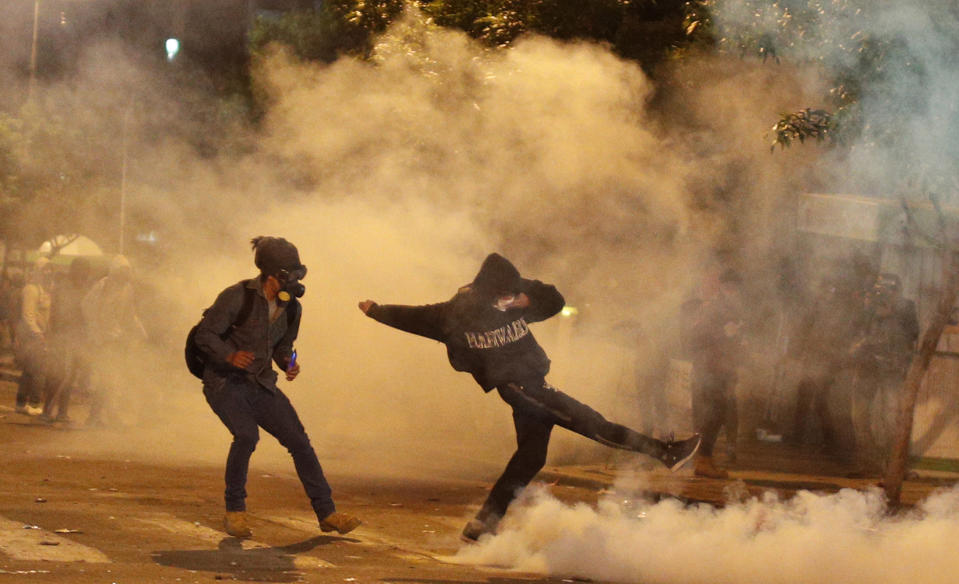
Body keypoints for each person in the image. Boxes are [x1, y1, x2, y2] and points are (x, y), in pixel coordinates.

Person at [358, 253, 701, 542]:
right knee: (591, 422)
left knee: (530, 458)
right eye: (507, 292)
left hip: (533, 380)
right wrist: (376, 310)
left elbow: (554, 298)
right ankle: (664, 453)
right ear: (488, 290)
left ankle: (482, 525)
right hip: (520, 388)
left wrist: (527, 300)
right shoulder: (458, 313)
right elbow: (414, 317)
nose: (511, 296)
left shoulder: (513, 298)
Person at [195, 236, 360, 539]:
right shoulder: (237, 297)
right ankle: (235, 512)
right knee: (246, 436)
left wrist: (289, 364)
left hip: (261, 383)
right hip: (223, 383)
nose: (295, 282)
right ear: (271, 275)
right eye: (289, 275)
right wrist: (230, 356)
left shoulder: (292, 309)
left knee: (299, 442)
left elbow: (284, 347)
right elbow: (204, 336)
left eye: (298, 274)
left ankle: (327, 513)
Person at [849, 272, 919, 473]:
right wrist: (867, 308)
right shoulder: (868, 305)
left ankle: (896, 467)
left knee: (892, 418)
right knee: (859, 416)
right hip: (866, 366)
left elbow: (913, 334)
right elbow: (855, 330)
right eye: (881, 289)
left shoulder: (907, 307)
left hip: (892, 368)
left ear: (898, 290)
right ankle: (868, 463)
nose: (885, 294)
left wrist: (892, 313)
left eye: (889, 290)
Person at [785, 276, 860, 459]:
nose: (825, 294)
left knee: (820, 403)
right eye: (823, 291)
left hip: (825, 362)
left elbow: (839, 339)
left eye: (828, 291)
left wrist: (830, 356)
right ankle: (799, 438)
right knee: (804, 399)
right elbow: (802, 333)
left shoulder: (837, 314)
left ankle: (829, 440)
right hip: (812, 360)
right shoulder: (814, 310)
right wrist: (796, 353)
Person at [688, 268, 745, 479]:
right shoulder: (713, 308)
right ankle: (702, 460)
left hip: (723, 369)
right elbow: (696, 335)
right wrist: (724, 333)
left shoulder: (732, 309)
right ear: (723, 287)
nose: (734, 291)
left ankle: (705, 458)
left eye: (736, 288)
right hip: (710, 369)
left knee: (718, 414)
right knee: (711, 414)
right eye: (730, 287)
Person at [81, 255, 148, 427]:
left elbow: (129, 314)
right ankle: (104, 416)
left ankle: (98, 416)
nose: (125, 275)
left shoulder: (127, 288)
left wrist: (140, 330)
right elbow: (87, 307)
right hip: (102, 340)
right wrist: (96, 331)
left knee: (110, 379)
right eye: (122, 271)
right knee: (107, 378)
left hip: (116, 339)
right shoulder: (102, 286)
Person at [40, 257, 93, 423]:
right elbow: (58, 314)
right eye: (82, 271)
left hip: (77, 337)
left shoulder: (84, 288)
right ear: (75, 271)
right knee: (58, 375)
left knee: (70, 376)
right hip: (62, 337)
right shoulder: (64, 288)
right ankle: (46, 412)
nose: (84, 275)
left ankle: (62, 412)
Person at [14, 257, 54, 415]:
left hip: (39, 335)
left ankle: (21, 403)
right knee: (39, 371)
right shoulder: (31, 289)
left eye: (50, 269)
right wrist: (38, 334)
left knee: (30, 370)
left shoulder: (45, 289)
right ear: (38, 271)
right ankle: (34, 404)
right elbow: (28, 315)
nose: (48, 273)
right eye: (45, 269)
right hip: (32, 336)